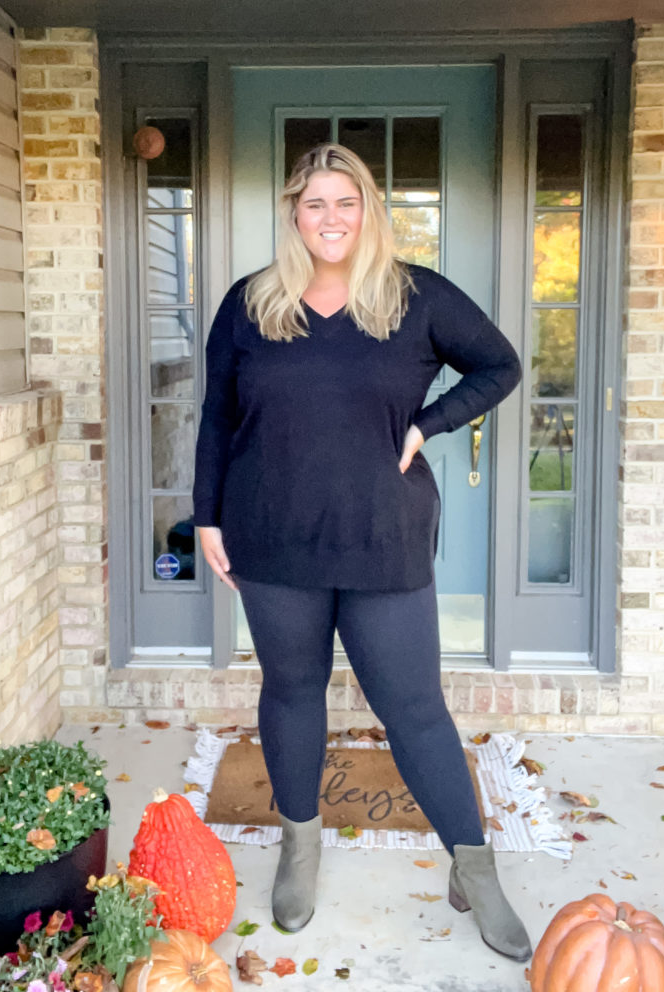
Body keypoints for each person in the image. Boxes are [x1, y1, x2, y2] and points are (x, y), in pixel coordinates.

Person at [193, 143, 531, 961]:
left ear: (369, 209)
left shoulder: (415, 298)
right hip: (271, 537)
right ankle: (300, 846)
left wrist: (429, 424)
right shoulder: (251, 304)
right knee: (293, 689)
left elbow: (500, 365)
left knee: (414, 707)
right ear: (293, 213)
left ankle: (474, 867)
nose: (331, 218)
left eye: (346, 202)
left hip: (385, 536)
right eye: (315, 203)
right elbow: (215, 416)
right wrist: (206, 517)